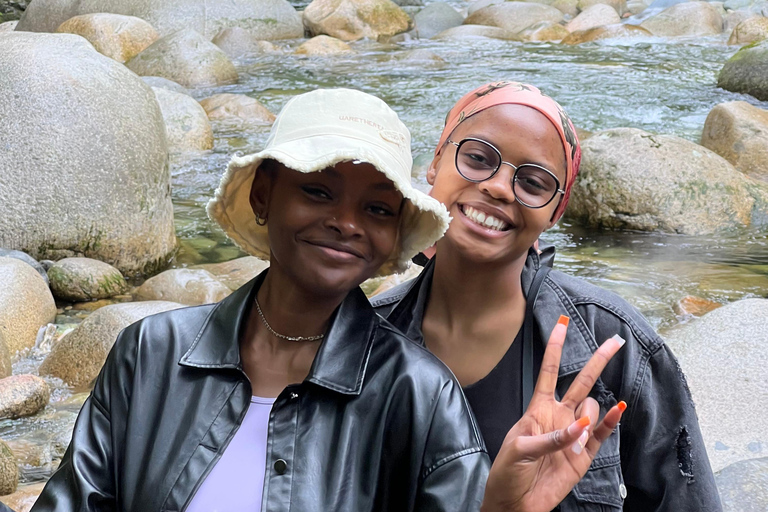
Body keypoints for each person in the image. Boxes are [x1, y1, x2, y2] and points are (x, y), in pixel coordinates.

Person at [30, 88, 623, 512]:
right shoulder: (150, 353)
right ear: (264, 194)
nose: (345, 223)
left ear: (394, 234)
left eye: (376, 208)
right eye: (317, 190)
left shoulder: (417, 391)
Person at [372, 81, 723, 511]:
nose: (499, 188)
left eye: (534, 183)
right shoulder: (367, 340)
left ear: (556, 212)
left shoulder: (613, 343)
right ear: (435, 162)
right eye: (478, 158)